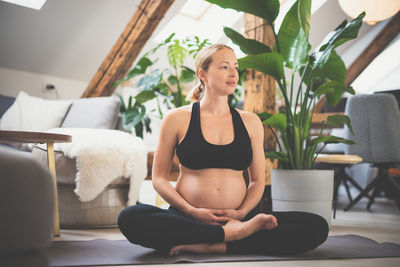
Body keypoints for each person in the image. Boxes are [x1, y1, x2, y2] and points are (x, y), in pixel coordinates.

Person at [118, 44, 329, 255]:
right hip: (188, 218)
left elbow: (257, 180)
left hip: (239, 218)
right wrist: (192, 211)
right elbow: (159, 179)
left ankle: (217, 240)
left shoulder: (250, 122)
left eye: (235, 67)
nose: (233, 74)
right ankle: (232, 238)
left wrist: (242, 213)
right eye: (224, 67)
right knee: (130, 218)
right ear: (203, 74)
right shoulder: (177, 119)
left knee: (316, 225)